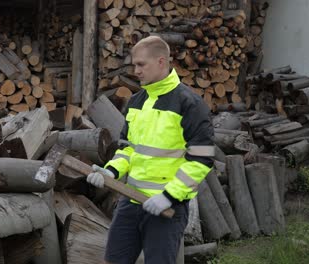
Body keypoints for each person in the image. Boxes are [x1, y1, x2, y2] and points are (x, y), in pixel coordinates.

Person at [87, 36, 214, 264]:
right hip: (130, 202)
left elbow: (202, 159)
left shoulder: (190, 104)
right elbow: (126, 149)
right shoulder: (136, 101)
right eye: (134, 65)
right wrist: (110, 173)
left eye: (141, 64)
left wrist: (169, 196)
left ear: (161, 62)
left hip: (166, 209)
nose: (136, 71)